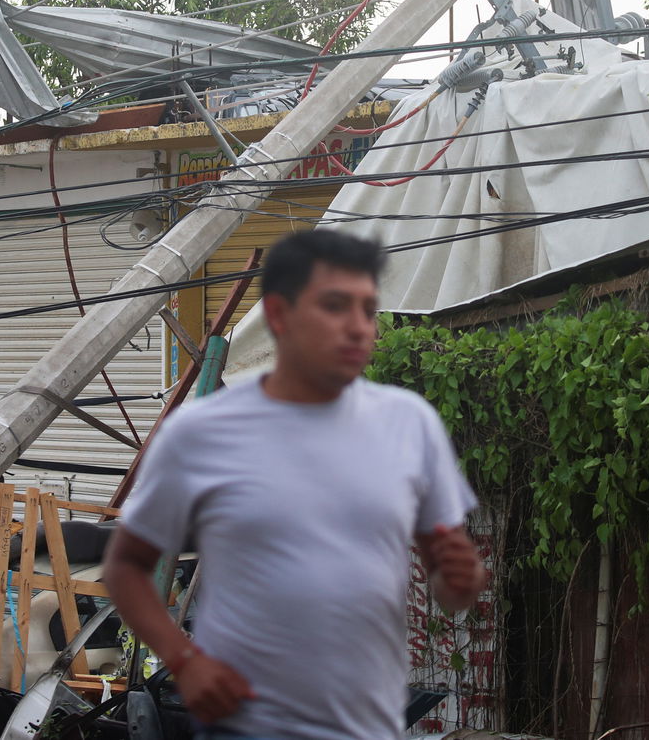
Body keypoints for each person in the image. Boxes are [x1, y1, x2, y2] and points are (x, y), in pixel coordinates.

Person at [103, 230, 487, 740]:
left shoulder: (408, 425)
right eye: (335, 307)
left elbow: (448, 575)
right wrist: (185, 660)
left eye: (368, 310)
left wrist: (461, 580)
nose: (357, 328)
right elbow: (126, 567)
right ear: (280, 317)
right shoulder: (202, 434)